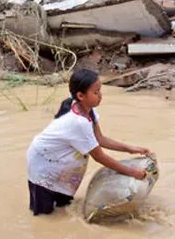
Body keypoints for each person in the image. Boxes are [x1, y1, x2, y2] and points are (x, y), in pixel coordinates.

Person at [26, 68, 151, 216]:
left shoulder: (87, 110)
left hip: (58, 163)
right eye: (95, 92)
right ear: (80, 95)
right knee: (44, 216)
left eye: (100, 91)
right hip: (44, 167)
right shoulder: (78, 122)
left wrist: (130, 148)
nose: (100, 96)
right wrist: (133, 172)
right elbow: (99, 156)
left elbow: (100, 139)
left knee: (64, 206)